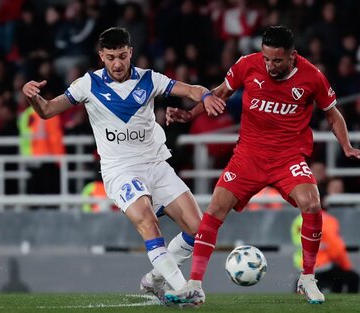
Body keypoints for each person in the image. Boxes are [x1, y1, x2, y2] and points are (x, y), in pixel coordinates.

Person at [164, 25, 360, 306]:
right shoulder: (247, 65)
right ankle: (194, 285)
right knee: (214, 209)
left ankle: (308, 279)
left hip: (288, 157)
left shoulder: (312, 77)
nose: (270, 66)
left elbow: (333, 115)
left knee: (311, 203)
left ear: (293, 56)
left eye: (277, 60)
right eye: (266, 59)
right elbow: (221, 92)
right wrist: (191, 115)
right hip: (249, 155)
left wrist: (347, 147)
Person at [21, 27, 226, 302]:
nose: (116, 63)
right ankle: (184, 287)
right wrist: (32, 96)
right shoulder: (87, 84)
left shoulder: (149, 79)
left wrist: (205, 96)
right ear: (101, 57)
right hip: (120, 169)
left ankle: (155, 278)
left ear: (130, 53)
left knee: (197, 229)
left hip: (156, 164)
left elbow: (189, 88)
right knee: (148, 221)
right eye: (110, 57)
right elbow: (47, 110)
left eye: (121, 56)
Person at [291, 211, 360, 294]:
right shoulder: (326, 220)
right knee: (352, 278)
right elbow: (336, 249)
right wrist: (346, 266)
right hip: (323, 265)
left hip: (304, 264)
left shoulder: (297, 221)